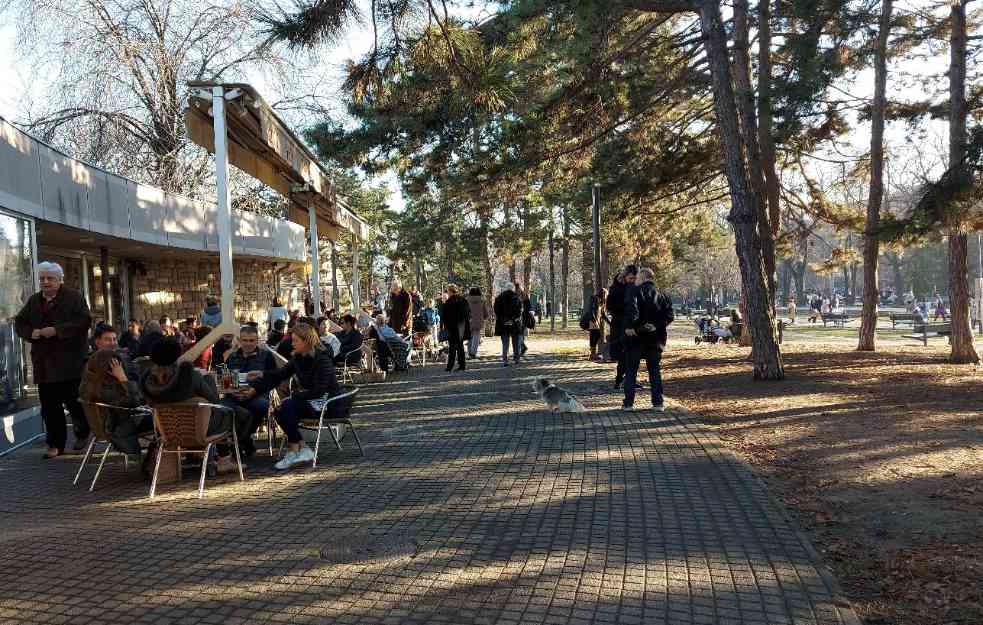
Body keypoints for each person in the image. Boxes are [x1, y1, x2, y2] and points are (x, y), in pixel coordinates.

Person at [14, 261, 92, 458]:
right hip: (44, 364)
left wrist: (57, 330)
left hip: (70, 363)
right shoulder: (34, 301)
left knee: (75, 404)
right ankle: (55, 445)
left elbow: (84, 322)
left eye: (50, 279)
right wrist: (32, 333)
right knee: (50, 408)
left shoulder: (74, 297)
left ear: (60, 280)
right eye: (42, 279)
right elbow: (20, 322)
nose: (45, 282)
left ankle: (83, 432)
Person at [139, 337, 246, 474]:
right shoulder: (189, 376)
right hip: (198, 428)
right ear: (177, 354)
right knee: (234, 414)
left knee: (222, 412)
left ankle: (202, 456)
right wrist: (205, 379)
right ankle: (224, 459)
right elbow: (213, 401)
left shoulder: (147, 381)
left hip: (167, 431)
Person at [243, 322, 342, 470]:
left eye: (295, 340)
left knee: (287, 405)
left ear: (307, 341)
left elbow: (320, 390)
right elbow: (279, 375)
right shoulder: (298, 358)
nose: (292, 344)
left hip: (328, 402)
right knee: (278, 410)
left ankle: (294, 449)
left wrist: (294, 397)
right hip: (311, 400)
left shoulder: (323, 359)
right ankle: (300, 447)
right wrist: (260, 377)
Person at [79, 348, 150, 455]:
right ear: (110, 369)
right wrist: (123, 378)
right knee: (160, 421)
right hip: (119, 427)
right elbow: (135, 401)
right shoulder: (107, 389)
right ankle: (156, 460)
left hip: (104, 426)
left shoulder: (88, 383)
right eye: (117, 365)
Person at [622, 268, 674, 412]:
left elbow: (632, 311)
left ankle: (628, 403)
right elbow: (669, 315)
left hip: (636, 337)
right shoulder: (663, 294)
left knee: (631, 371)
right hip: (655, 338)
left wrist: (630, 327)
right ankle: (658, 403)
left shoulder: (634, 292)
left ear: (644, 278)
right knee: (654, 371)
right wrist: (656, 325)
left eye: (638, 277)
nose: (635, 279)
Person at [222, 325, 277, 458]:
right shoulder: (232, 357)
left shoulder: (266, 356)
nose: (248, 344)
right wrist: (232, 391)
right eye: (245, 340)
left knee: (258, 407)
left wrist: (255, 389)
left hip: (257, 395)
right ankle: (238, 442)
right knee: (221, 408)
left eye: (251, 340)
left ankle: (240, 441)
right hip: (234, 396)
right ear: (240, 341)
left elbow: (274, 379)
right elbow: (225, 379)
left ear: (257, 340)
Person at [606, 265, 638, 389]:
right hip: (620, 325)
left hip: (633, 325)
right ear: (625, 277)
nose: (632, 281)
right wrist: (624, 308)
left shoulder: (635, 288)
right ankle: (619, 380)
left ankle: (628, 379)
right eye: (630, 278)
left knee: (632, 355)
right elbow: (610, 306)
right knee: (623, 355)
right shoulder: (616, 288)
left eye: (635, 278)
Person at [440, 285, 470, 372]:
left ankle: (450, 366)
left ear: (450, 291)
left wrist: (445, 326)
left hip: (452, 327)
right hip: (461, 326)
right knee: (460, 346)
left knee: (452, 347)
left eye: (448, 291)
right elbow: (467, 313)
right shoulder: (463, 300)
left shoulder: (448, 302)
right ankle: (462, 365)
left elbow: (444, 316)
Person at [494, 283, 523, 367]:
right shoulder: (517, 298)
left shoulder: (499, 298)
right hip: (514, 323)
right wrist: (513, 319)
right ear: (513, 289)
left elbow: (496, 311)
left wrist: (503, 319)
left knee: (505, 343)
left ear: (505, 288)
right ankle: (516, 359)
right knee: (515, 342)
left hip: (503, 323)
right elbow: (519, 311)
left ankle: (505, 360)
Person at [466, 287, 488, 358]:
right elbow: (485, 311)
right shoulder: (482, 300)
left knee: (469, 337)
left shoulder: (467, 300)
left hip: (469, 320)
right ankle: (473, 352)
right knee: (476, 336)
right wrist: (485, 316)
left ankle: (469, 352)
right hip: (478, 321)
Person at [587, 287, 609, 361]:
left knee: (596, 336)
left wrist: (610, 322)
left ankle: (592, 354)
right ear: (603, 294)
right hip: (593, 321)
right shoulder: (595, 299)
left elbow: (603, 314)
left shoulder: (601, 302)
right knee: (594, 336)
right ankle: (592, 354)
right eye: (606, 294)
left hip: (597, 321)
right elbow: (591, 310)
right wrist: (594, 320)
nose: (606, 296)